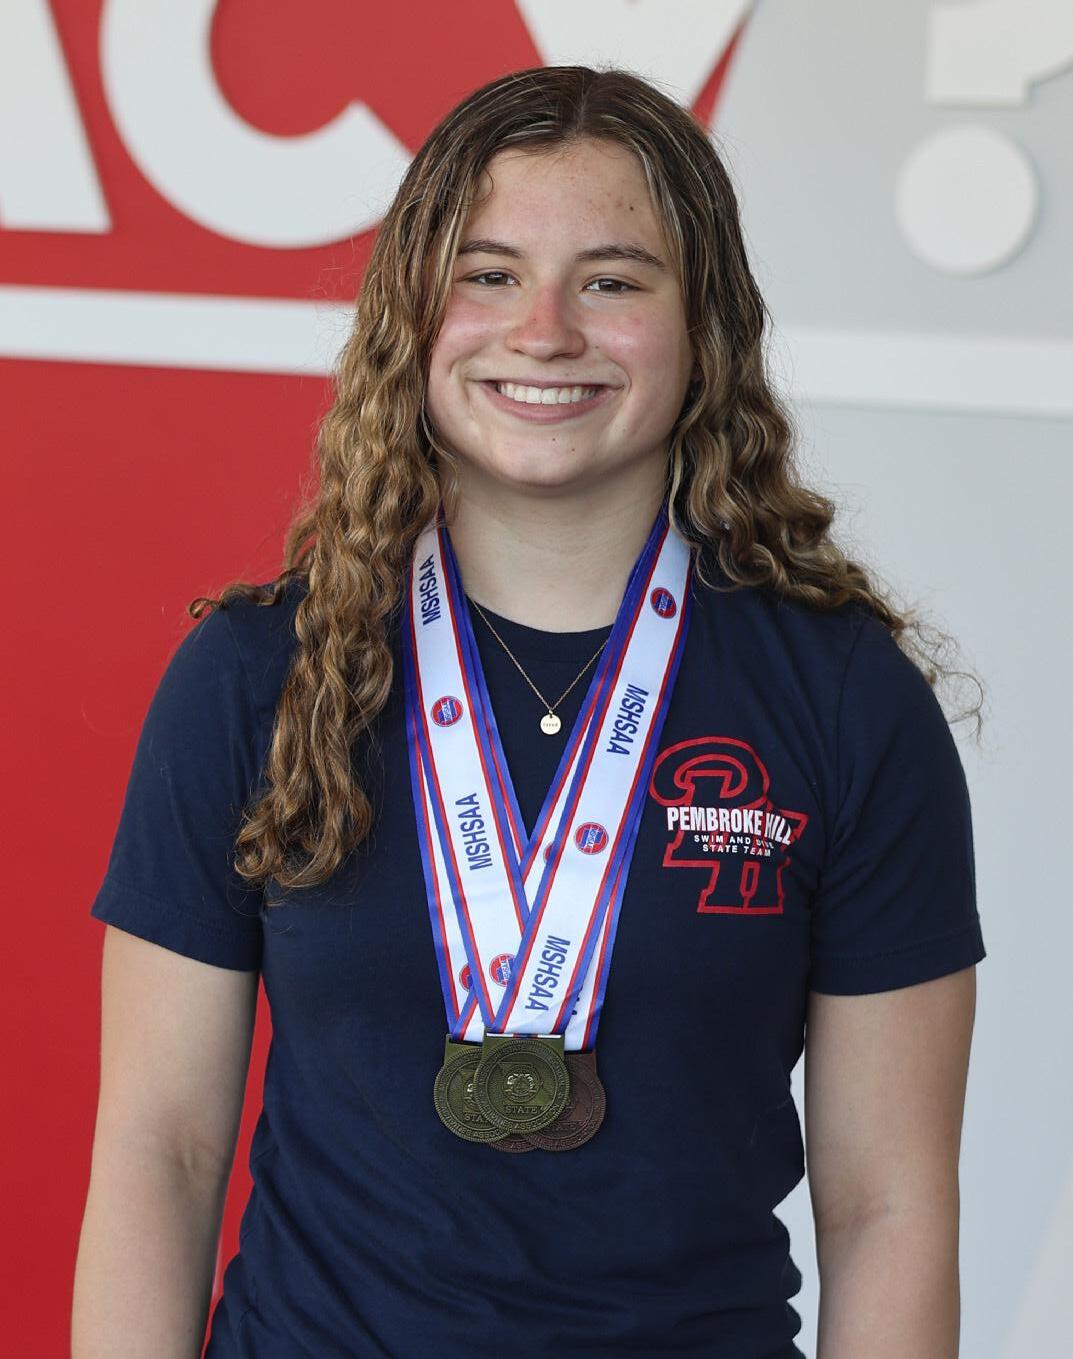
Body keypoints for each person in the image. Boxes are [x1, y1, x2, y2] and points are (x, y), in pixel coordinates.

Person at [72, 64, 987, 1359]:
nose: (544, 330)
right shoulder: (256, 674)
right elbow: (159, 1151)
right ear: (411, 313)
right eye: (489, 274)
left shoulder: (844, 700)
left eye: (612, 281)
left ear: (705, 328)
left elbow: (887, 1204)